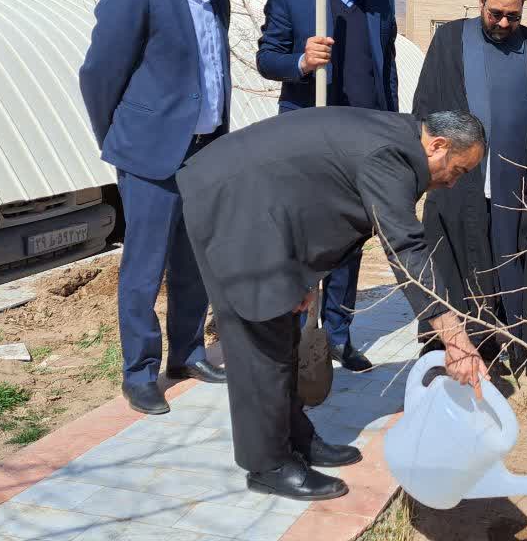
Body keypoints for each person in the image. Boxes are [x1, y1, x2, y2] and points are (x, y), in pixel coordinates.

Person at [176, 107, 490, 500]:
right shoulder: (391, 157)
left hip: (267, 210)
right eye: (458, 170)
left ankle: (295, 438)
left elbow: (333, 203)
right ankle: (268, 464)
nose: (451, 183)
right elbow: (406, 248)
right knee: (261, 340)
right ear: (438, 145)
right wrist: (456, 341)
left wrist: (305, 276)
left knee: (282, 333)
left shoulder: (400, 142)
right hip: (236, 207)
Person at [78, 0, 247, 415]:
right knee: (144, 269)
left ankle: (188, 352)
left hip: (204, 153)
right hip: (149, 156)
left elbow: (211, 75)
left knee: (194, 263)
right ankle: (139, 373)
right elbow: (99, 73)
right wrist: (118, 138)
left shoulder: (217, 6)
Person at [255, 0, 399, 373]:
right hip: (308, 136)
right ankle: (297, 337)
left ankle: (337, 334)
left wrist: (391, 130)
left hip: (363, 139)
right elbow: (267, 58)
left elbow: (387, 69)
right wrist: (300, 61)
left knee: (350, 242)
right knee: (301, 240)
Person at [412, 0, 527, 374]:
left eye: (511, 16)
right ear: (479, 1)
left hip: (515, 185)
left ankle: (517, 348)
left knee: (512, 265)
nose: (502, 22)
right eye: (494, 13)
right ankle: (451, 351)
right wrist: (430, 165)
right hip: (458, 182)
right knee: (455, 262)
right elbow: (424, 108)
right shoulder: (448, 41)